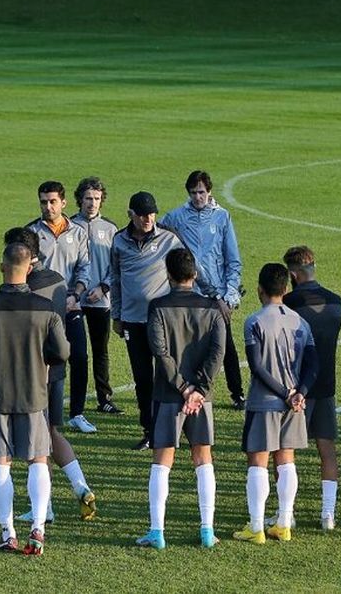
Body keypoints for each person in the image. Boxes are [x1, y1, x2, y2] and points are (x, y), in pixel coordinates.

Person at [0, 241, 69, 556]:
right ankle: (38, 527)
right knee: (38, 461)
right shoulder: (45, 309)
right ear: (29, 268)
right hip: (34, 394)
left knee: (0, 464)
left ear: (2, 267)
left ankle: (8, 532)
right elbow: (62, 352)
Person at [136, 247, 226, 550]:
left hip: (167, 395)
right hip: (202, 398)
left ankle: (157, 531)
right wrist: (199, 390)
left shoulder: (158, 307)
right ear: (195, 275)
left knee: (162, 462)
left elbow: (160, 352)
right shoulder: (213, 308)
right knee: (203, 460)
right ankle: (206, 530)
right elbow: (218, 354)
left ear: (168, 275)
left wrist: (183, 388)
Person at [5, 228, 97, 525]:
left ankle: (44, 508)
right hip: (56, 370)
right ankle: (81, 487)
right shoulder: (58, 280)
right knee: (52, 433)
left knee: (36, 444)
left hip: (32, 374)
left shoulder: (24, 289)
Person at [232, 263, 318, 545]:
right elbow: (313, 365)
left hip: (265, 401)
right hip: (294, 404)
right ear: (285, 288)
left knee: (258, 462)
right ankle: (283, 523)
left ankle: (256, 527)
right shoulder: (301, 322)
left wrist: (284, 393)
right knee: (286, 460)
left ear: (260, 289)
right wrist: (299, 393)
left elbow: (257, 366)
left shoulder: (254, 322)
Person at [161, 170, 246, 409]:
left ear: (209, 192)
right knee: (188, 345)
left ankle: (237, 393)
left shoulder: (222, 217)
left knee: (225, 346)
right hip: (188, 293)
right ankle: (187, 389)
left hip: (216, 296)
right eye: (193, 192)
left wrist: (229, 297)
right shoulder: (177, 216)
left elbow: (233, 261)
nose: (198, 197)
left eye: (201, 192)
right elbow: (158, 230)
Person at [110, 191, 185, 449]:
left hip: (163, 320)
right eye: (142, 215)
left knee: (169, 373)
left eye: (152, 213)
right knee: (142, 378)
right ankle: (149, 429)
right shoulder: (119, 241)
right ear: (131, 214)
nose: (148, 219)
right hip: (132, 321)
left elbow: (186, 272)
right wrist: (116, 315)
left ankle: (178, 426)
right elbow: (116, 280)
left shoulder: (169, 239)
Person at [280, 246, 341, 531]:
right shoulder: (336, 301)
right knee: (327, 450)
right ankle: (328, 514)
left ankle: (287, 514)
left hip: (297, 388)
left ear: (293, 274)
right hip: (327, 385)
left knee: (285, 450)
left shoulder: (289, 302)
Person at [27, 181, 96, 433]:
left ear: (64, 203)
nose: (48, 206)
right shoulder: (32, 232)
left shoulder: (78, 233)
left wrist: (75, 296)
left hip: (70, 306)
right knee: (43, 360)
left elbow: (84, 268)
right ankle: (39, 409)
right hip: (41, 310)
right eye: (43, 202)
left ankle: (77, 413)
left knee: (79, 356)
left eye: (52, 201)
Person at [70, 177, 122, 414]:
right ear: (79, 199)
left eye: (97, 199)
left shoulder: (110, 229)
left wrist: (103, 288)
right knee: (76, 353)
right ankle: (74, 401)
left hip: (101, 300)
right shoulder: (69, 225)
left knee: (101, 351)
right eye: (88, 198)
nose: (92, 203)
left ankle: (104, 399)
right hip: (74, 302)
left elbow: (116, 266)